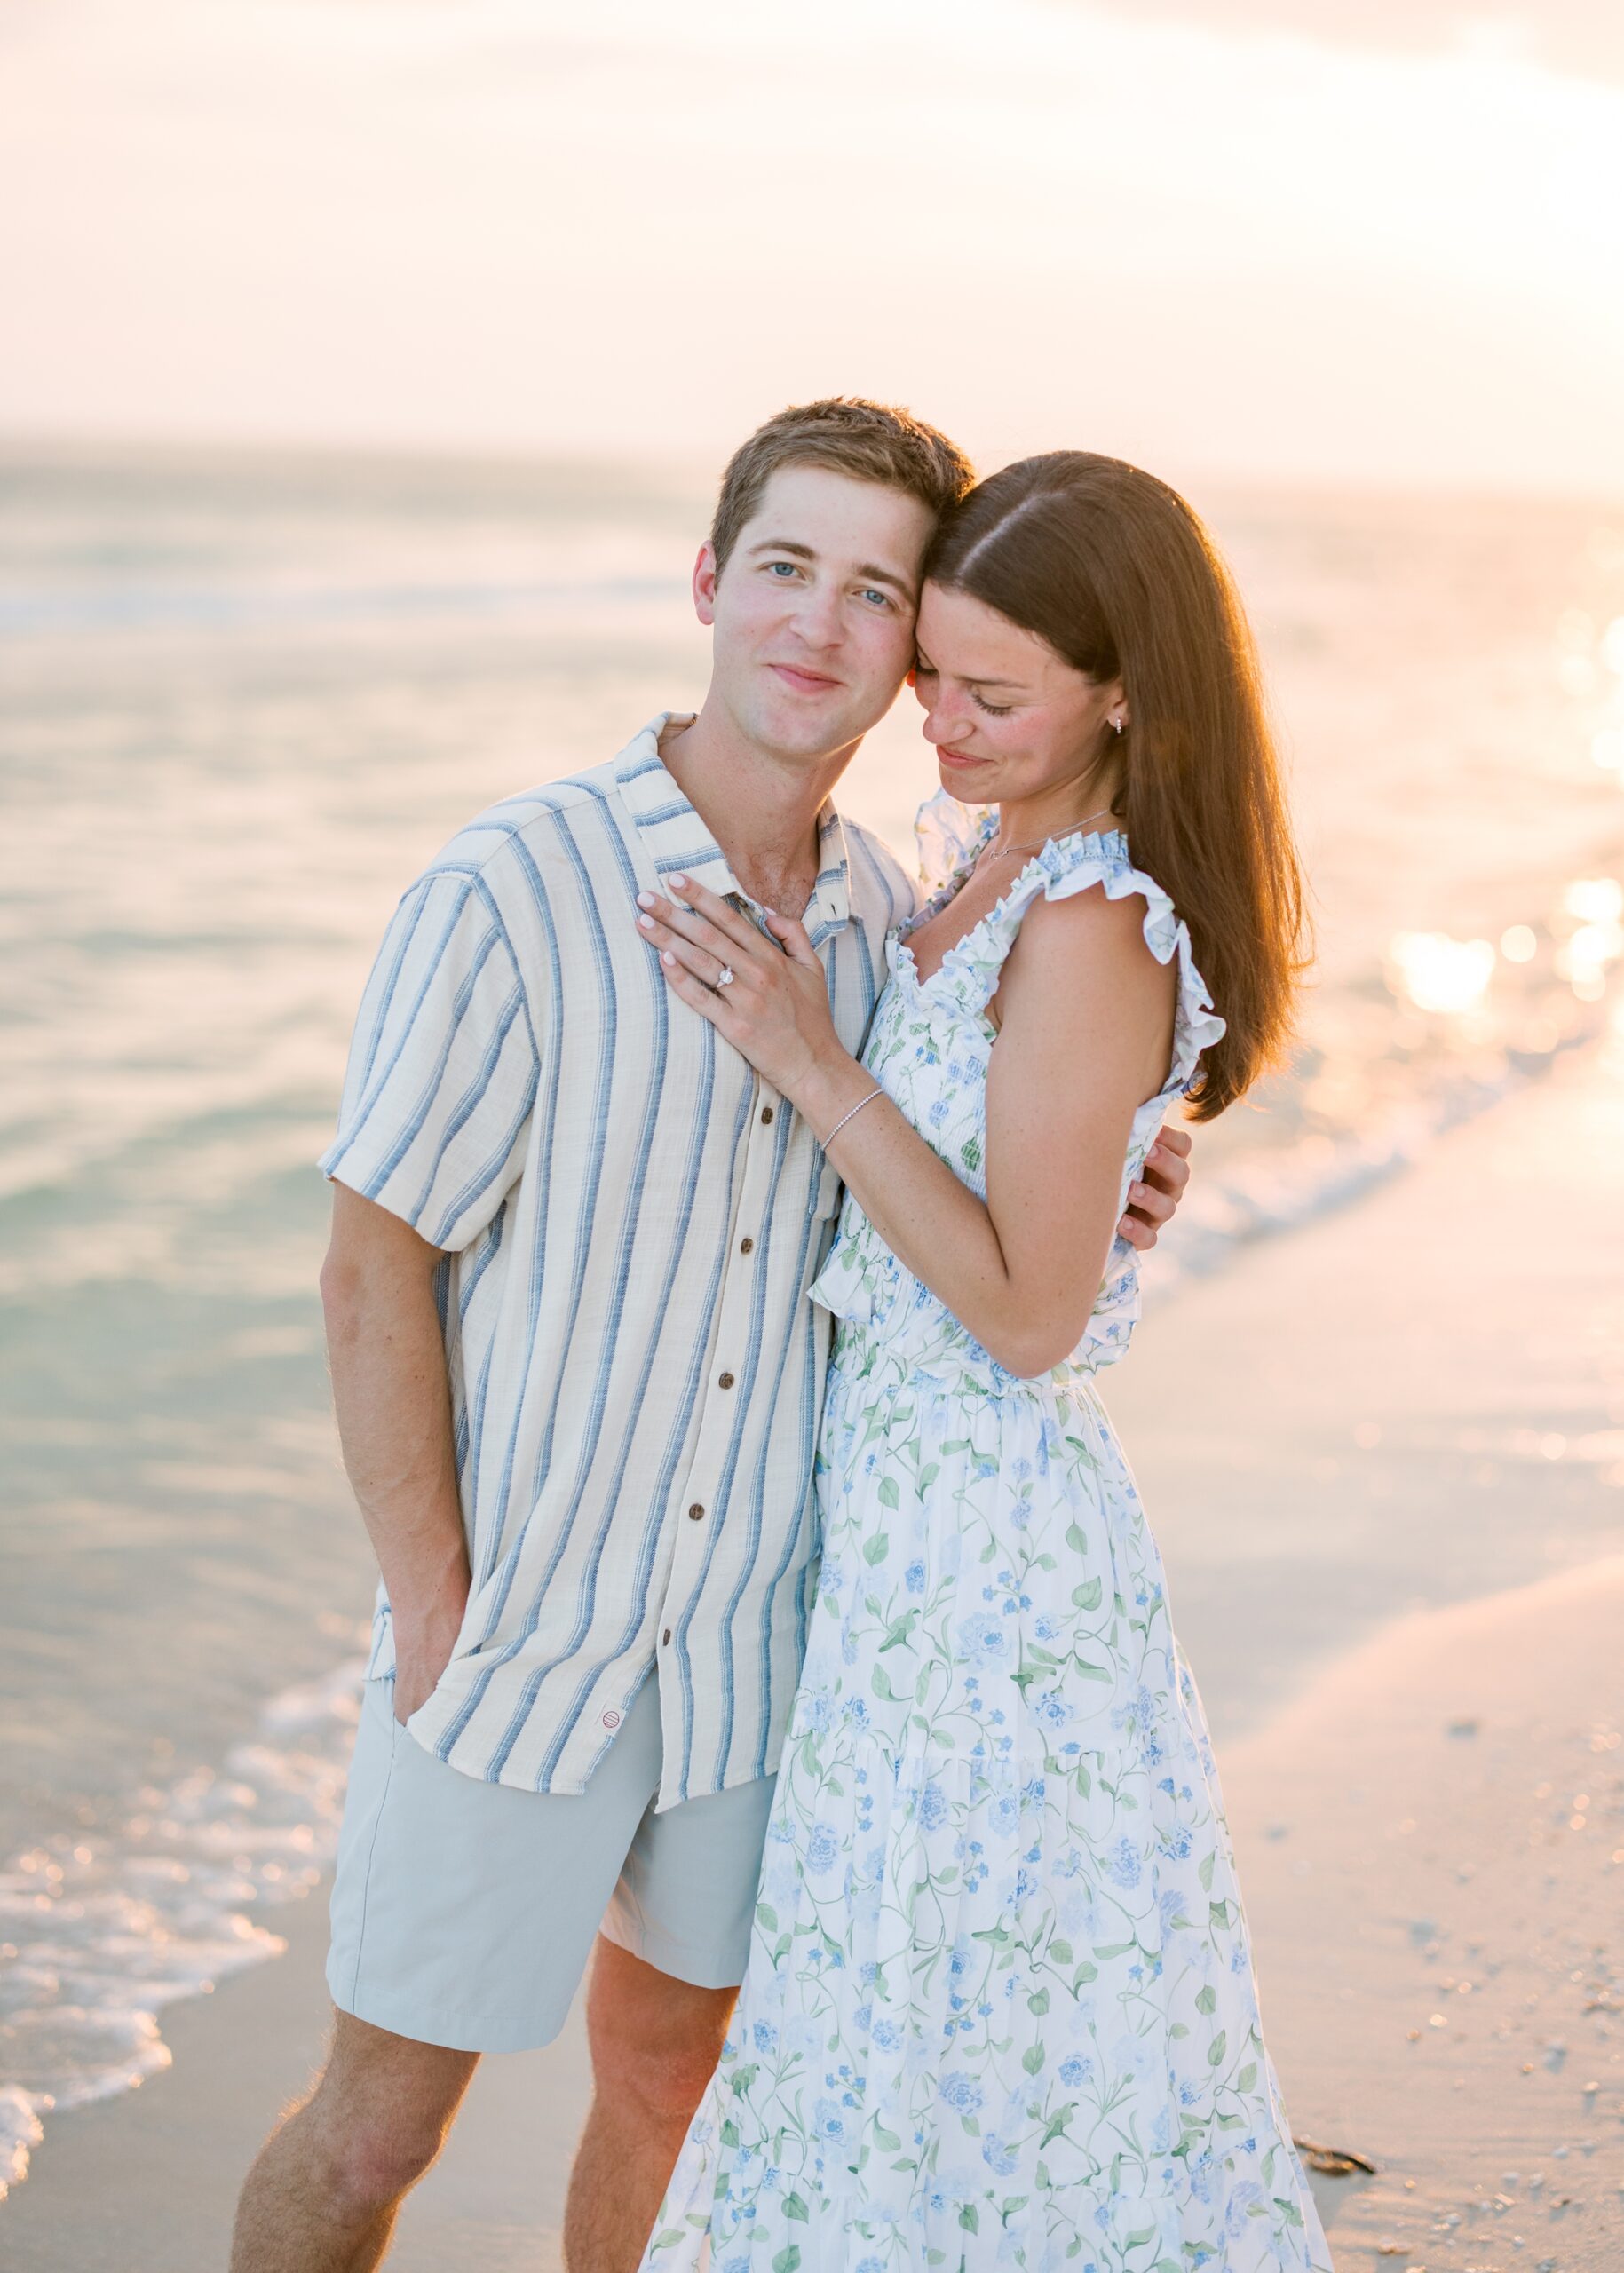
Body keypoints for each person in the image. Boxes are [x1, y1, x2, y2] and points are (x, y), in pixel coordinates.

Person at [229, 403, 1193, 2273]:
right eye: (782, 568)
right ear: (706, 579)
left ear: (916, 644)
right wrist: (430, 1590)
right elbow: (369, 1271)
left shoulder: (891, 922)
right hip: (523, 1629)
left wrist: (1125, 1187)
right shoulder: (512, 887)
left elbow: (981, 1188)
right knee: (371, 2131)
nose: (818, 628)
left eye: (873, 591)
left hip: (769, 1649)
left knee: (680, 2092)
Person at [630, 450, 1330, 2269]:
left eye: (989, 694)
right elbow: (1019, 1196)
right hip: (900, 1524)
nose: (933, 718)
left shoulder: (1092, 918)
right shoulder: (984, 861)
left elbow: (1024, 1319)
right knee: (895, 2010)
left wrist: (818, 1061)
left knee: (954, 2020)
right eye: (932, 670)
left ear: (1121, 688)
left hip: (987, 1554)